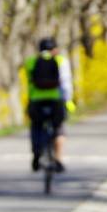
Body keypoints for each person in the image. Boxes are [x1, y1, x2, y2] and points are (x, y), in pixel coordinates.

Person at [24, 38, 73, 173]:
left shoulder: (31, 61)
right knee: (59, 128)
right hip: (55, 100)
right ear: (54, 50)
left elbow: (29, 82)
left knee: (36, 126)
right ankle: (58, 160)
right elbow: (66, 84)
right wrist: (68, 101)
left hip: (36, 100)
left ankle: (36, 152)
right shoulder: (61, 61)